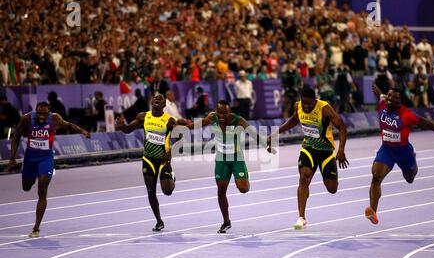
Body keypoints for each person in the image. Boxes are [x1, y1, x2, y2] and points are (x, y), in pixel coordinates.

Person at [179, 99, 273, 233]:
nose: (222, 116)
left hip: (236, 158)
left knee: (243, 189)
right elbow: (198, 124)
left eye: (225, 113)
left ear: (230, 111)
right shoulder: (212, 118)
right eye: (220, 113)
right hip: (221, 159)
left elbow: (252, 133)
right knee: (221, 190)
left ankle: (245, 175)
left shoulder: (238, 120)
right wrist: (184, 128)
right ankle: (226, 221)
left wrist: (265, 145)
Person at [4, 101, 91, 237]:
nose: (41, 116)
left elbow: (68, 125)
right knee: (26, 187)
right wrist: (12, 157)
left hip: (46, 158)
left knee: (42, 189)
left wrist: (83, 131)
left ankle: (36, 228)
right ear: (35, 111)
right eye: (39, 113)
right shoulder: (27, 118)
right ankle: (31, 175)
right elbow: (16, 137)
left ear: (49, 112)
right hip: (30, 158)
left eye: (44, 114)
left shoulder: (55, 118)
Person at [365, 85, 434, 224]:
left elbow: (429, 124)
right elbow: (381, 96)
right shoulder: (382, 104)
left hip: (404, 152)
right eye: (389, 95)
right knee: (376, 177)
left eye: (395, 97)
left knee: (409, 179)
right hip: (386, 150)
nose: (391, 98)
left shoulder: (407, 115)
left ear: (400, 102)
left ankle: (413, 161)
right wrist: (380, 93)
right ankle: (373, 212)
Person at [267, 86, 349, 229]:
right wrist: (275, 134)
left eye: (309, 104)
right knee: (304, 177)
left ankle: (322, 179)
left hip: (326, 151)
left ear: (315, 100)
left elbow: (342, 128)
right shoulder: (298, 106)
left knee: (332, 188)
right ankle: (301, 217)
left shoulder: (324, 108)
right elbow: (293, 120)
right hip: (308, 148)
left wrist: (341, 150)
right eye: (304, 103)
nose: (306, 106)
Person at [115, 93, 176, 232]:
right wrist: (121, 126)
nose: (157, 100)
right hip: (148, 159)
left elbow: (181, 136)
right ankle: (159, 221)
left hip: (163, 160)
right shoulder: (143, 116)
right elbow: (128, 129)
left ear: (164, 105)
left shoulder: (169, 121)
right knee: (150, 191)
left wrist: (171, 150)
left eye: (160, 99)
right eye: (155, 98)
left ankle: (172, 177)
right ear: (151, 102)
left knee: (167, 191)